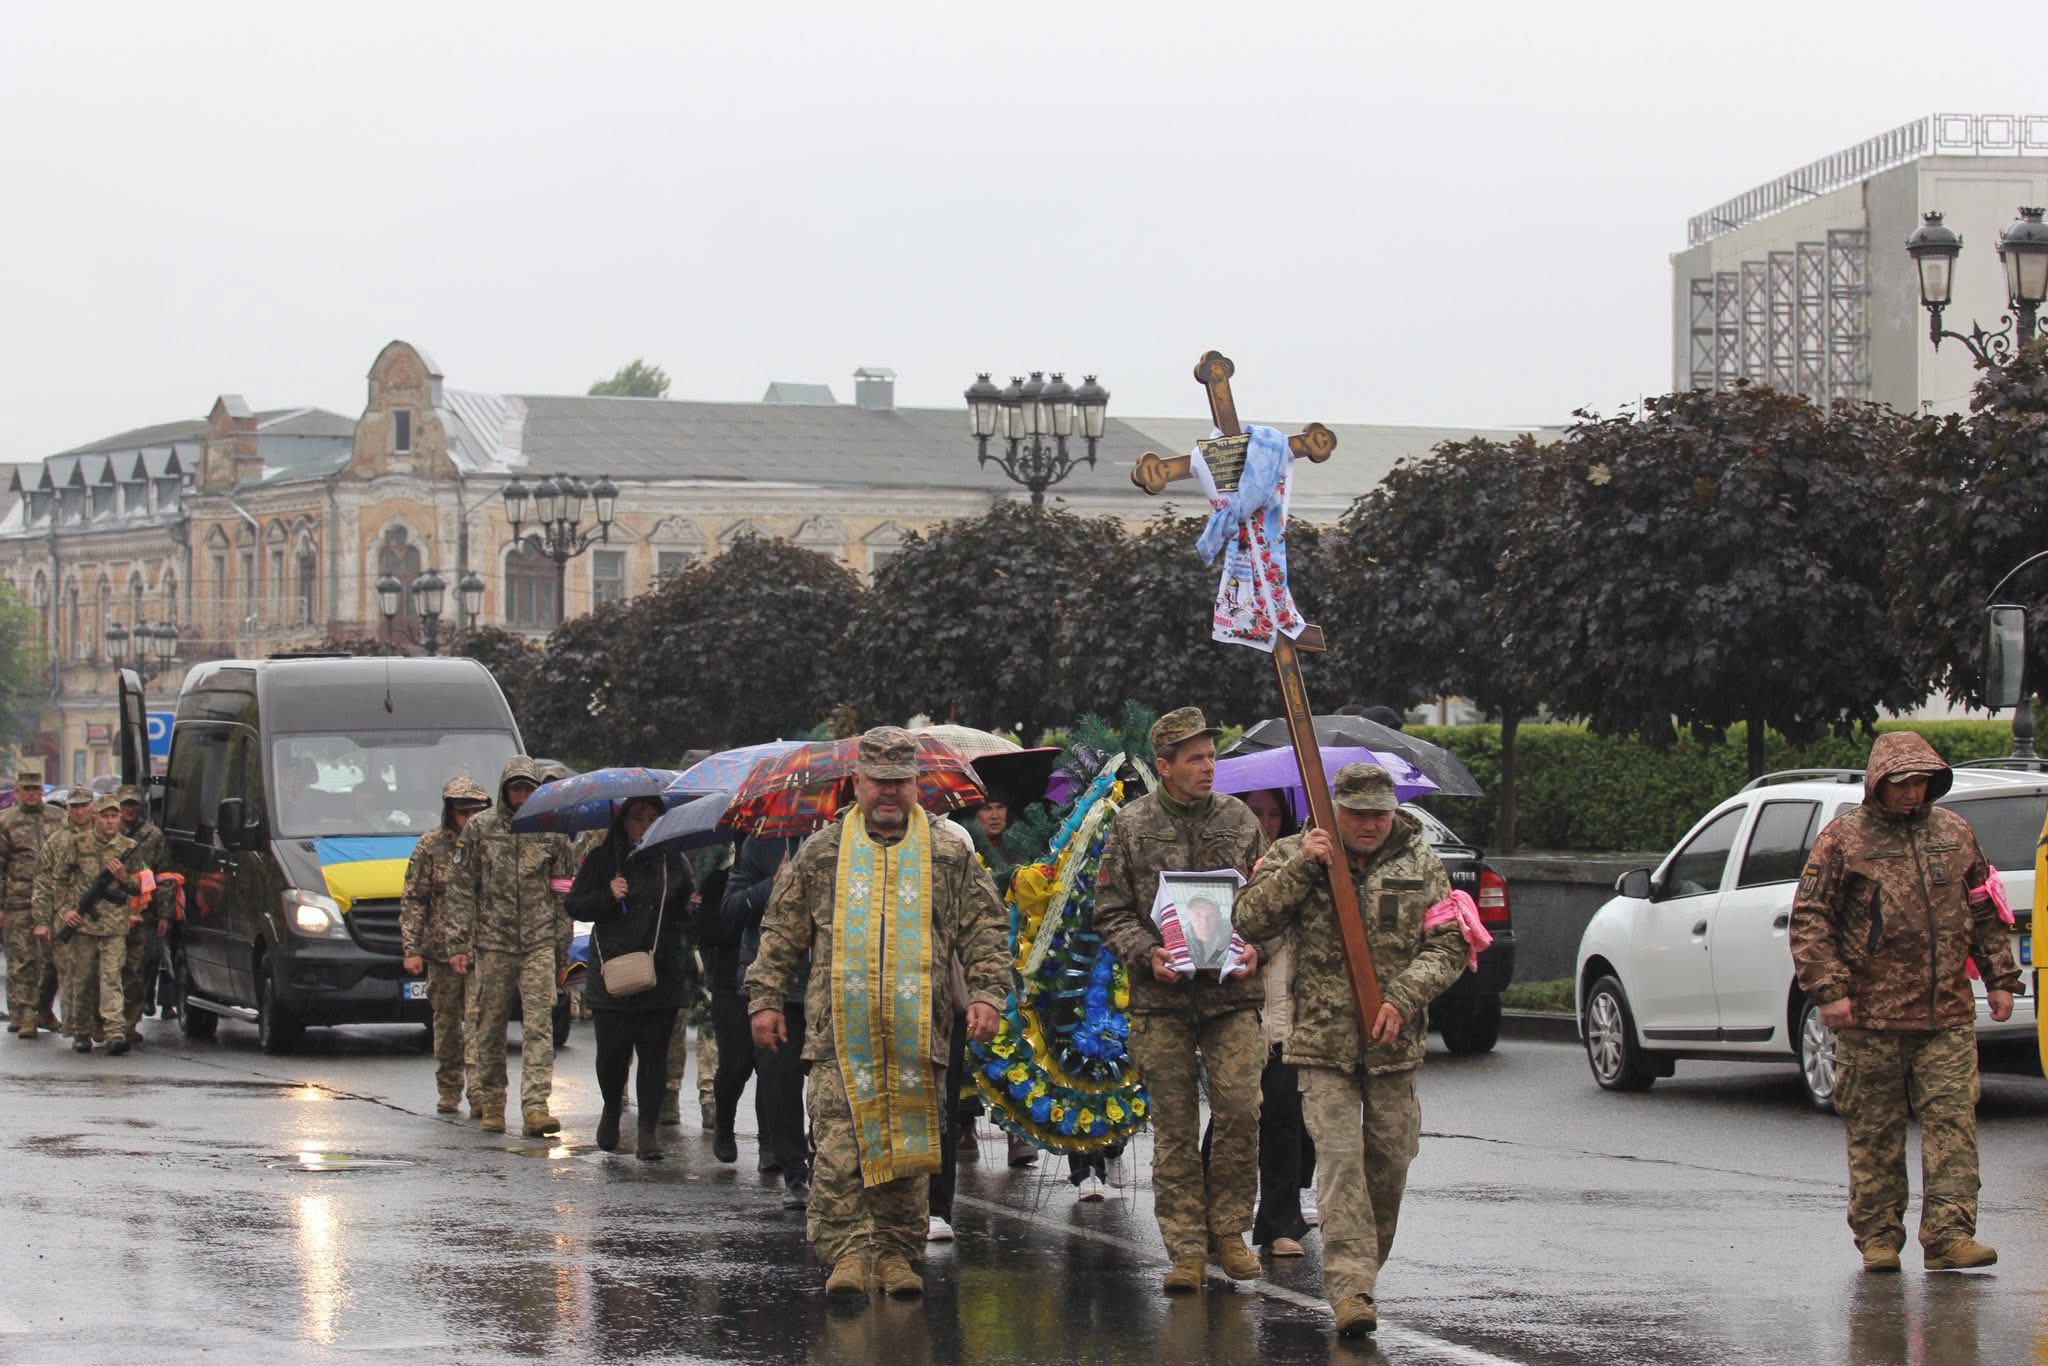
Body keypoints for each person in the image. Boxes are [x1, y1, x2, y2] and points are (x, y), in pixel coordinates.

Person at [747, 727, 1011, 1301]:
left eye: (901, 783)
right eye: (879, 783)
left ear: (917, 784)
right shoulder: (823, 851)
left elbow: (986, 928)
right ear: (858, 782)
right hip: (839, 1034)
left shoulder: (948, 852)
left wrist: (989, 993)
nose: (890, 794)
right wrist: (766, 1000)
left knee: (910, 1151)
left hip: (920, 1034)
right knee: (841, 1150)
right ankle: (845, 1255)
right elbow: (781, 933)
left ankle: (895, 1253)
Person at [1234, 763, 1468, 1336]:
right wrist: (1302, 867)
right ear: (1334, 809)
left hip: (1395, 1046)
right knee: (1339, 1168)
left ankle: (1365, 1269)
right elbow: (1249, 919)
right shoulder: (1296, 851)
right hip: (1322, 1045)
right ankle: (1350, 1290)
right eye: (1357, 813)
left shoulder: (1422, 861)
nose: (1368, 824)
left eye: (1378, 813)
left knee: (1388, 1168)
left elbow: (1450, 943)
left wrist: (1403, 999)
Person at [1790, 732, 2023, 1274]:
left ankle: (1948, 1236)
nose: (1912, 793)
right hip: (1870, 1017)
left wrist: (2001, 978)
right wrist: (1830, 991)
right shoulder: (1843, 839)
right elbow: (1811, 918)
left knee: (1953, 1125)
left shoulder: (1954, 833)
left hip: (1945, 1014)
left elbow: (1985, 909)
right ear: (1878, 784)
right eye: (1901, 784)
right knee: (1875, 1131)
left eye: (1920, 782)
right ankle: (1878, 1237)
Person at [1095, 706, 1268, 1293]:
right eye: (1194, 758)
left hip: (1232, 998)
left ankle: (1230, 1232)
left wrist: (1257, 948)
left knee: (1241, 1113)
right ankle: (1186, 1249)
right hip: (1161, 1001)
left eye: (1212, 755)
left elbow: (1267, 902)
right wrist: (1148, 954)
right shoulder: (1131, 825)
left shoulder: (1241, 820)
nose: (1208, 766)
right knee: (1173, 1128)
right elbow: (1110, 911)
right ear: (1164, 766)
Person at [446, 756, 576, 1137]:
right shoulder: (480, 829)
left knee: (540, 1025)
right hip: (493, 943)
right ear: (504, 790)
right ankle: (492, 1102)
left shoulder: (552, 831)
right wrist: (459, 943)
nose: (522, 796)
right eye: (516, 789)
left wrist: (560, 951)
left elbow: (562, 894)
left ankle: (536, 1106)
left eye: (528, 789)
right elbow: (460, 888)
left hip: (538, 941)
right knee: (489, 1026)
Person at [568, 795, 697, 1160]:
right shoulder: (603, 859)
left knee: (655, 1056)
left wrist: (691, 908)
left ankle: (647, 1132)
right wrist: (607, 895)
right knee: (612, 1056)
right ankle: (611, 1109)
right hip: (613, 974)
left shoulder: (674, 861)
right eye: (638, 818)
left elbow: (686, 910)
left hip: (661, 975)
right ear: (623, 821)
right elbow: (574, 905)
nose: (645, 824)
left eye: (653, 818)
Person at [1235, 786, 1315, 1257]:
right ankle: (1217, 1216)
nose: (1264, 821)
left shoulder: (1301, 860)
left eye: (1272, 813)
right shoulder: (1224, 860)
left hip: (1288, 1008)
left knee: (1286, 1113)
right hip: (1239, 1008)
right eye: (1255, 812)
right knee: (1237, 1113)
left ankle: (1282, 1220)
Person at [726, 830, 810, 1208]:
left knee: (835, 1092)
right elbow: (730, 910)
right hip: (779, 989)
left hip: (832, 986)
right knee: (780, 1086)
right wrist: (769, 885)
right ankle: (795, 1174)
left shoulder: (850, 840)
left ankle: (831, 1170)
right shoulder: (763, 843)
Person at [402, 776, 492, 1115]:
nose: (469, 818)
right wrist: (411, 948)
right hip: (441, 952)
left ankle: (481, 1092)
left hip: (482, 948)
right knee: (447, 1023)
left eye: (476, 811)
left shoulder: (492, 843)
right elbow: (414, 898)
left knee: (480, 1020)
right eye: (462, 811)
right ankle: (450, 1087)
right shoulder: (431, 845)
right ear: (449, 811)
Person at [34, 795, 141, 1056]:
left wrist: (123, 876)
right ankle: (81, 1031)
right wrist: (66, 910)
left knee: (111, 978)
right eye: (105, 816)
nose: (110, 821)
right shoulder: (77, 844)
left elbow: (140, 885)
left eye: (114, 816)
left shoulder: (129, 847)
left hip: (114, 926)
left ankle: (114, 1030)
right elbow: (59, 879)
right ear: (96, 818)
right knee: (82, 979)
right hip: (83, 926)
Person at [1, 765, 65, 1039]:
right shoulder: (6, 821)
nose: (31, 794)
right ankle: (24, 1013)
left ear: (42, 791)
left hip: (53, 900)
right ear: (17, 792)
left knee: (53, 960)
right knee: (23, 960)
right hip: (19, 900)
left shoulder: (58, 817)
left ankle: (43, 1008)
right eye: (26, 789)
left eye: (35, 789)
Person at [114, 785, 164, 1044]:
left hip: (144, 910)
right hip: (111, 911)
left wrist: (165, 913)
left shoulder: (153, 835)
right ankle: (109, 1020)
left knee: (138, 967)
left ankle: (130, 1021)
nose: (128, 809)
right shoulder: (108, 833)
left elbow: (164, 874)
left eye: (133, 805)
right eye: (124, 805)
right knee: (111, 969)